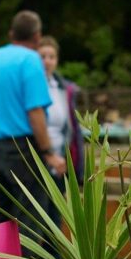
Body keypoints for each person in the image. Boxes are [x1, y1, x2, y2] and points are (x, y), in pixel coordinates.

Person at [0, 11, 66, 259]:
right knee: (29, 216)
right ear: (37, 37)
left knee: (1, 217)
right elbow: (35, 111)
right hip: (23, 149)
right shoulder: (30, 60)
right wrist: (49, 151)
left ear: (11, 34)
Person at [36, 36, 85, 243]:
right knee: (38, 209)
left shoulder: (65, 88)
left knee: (56, 210)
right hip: (38, 154)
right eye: (43, 56)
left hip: (61, 156)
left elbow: (72, 126)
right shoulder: (33, 85)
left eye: (51, 56)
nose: (47, 61)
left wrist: (72, 159)